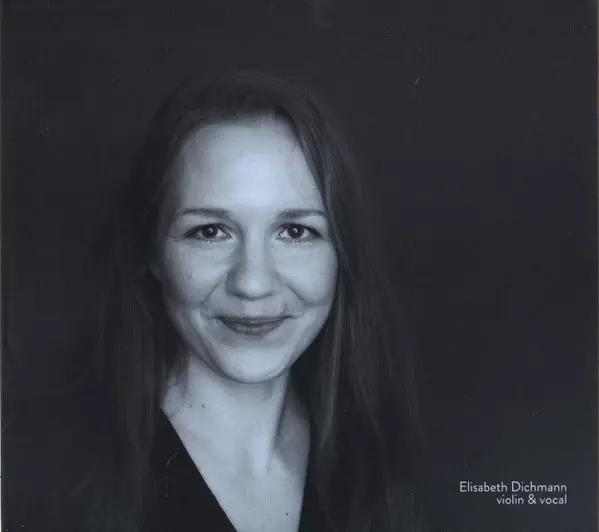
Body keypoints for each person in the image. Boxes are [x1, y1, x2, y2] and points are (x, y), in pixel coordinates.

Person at [65, 69, 424, 532]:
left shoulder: (379, 468)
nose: (253, 283)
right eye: (210, 231)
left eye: (295, 231)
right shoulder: (52, 477)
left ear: (342, 252)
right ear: (151, 251)